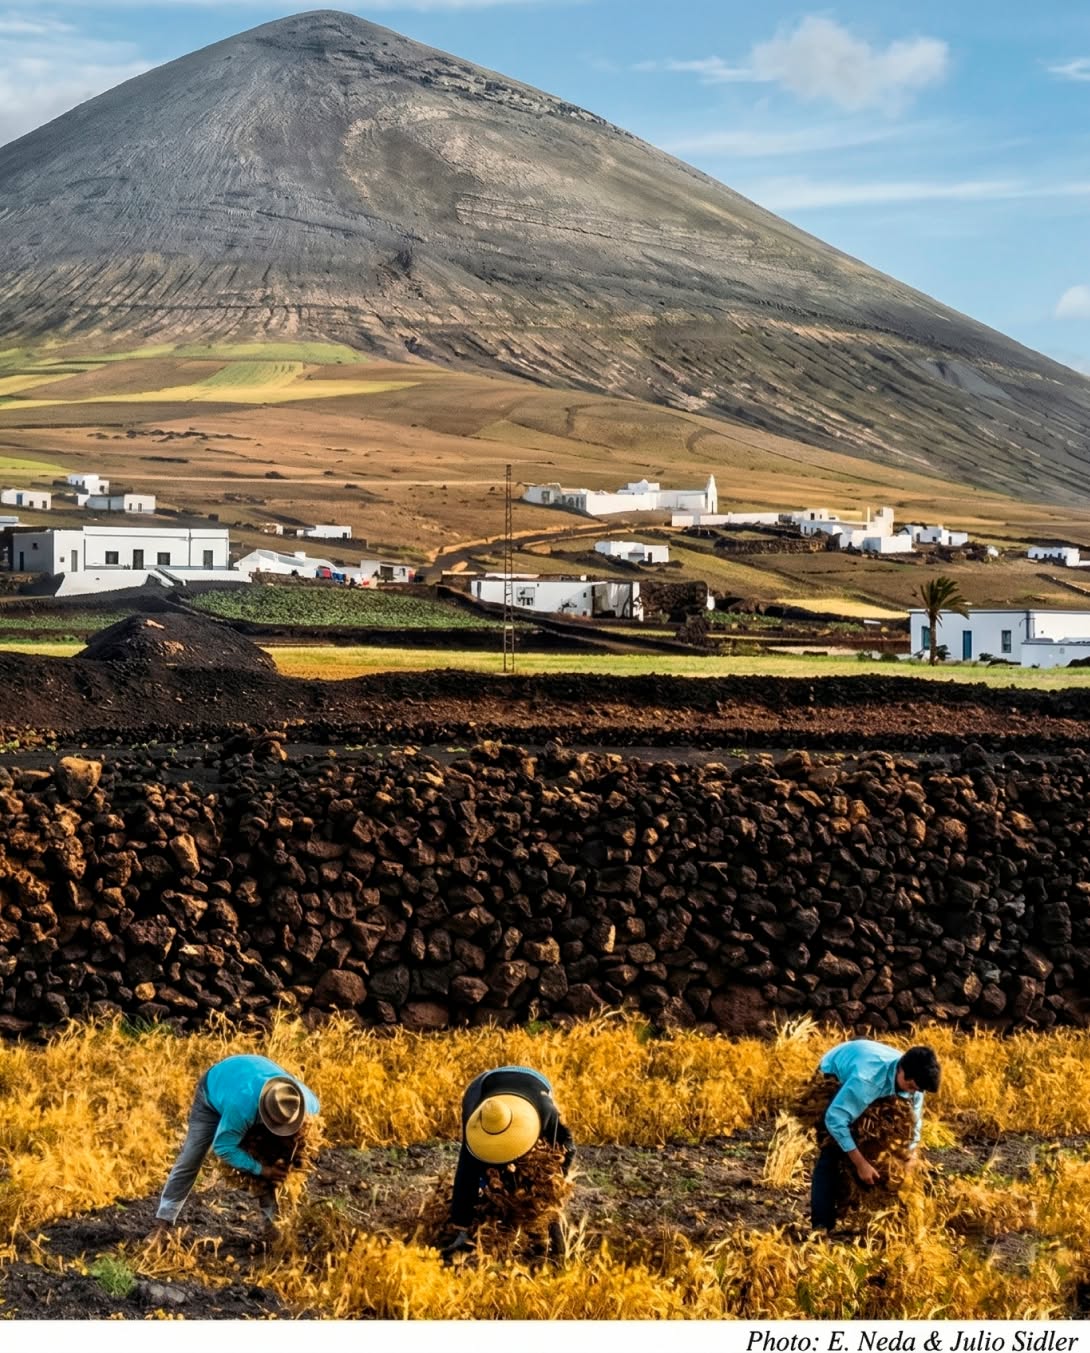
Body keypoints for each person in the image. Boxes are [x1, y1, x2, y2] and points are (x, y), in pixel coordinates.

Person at [148, 1054, 320, 1237]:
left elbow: (309, 1139)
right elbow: (223, 1147)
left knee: (274, 1158)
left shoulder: (306, 1104)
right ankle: (163, 1223)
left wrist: (289, 1163)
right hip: (214, 1091)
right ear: (265, 1116)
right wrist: (261, 1170)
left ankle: (274, 1228)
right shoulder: (242, 1108)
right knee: (191, 1157)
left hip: (250, 1073)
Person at [442, 1065, 575, 1259]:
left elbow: (567, 1147)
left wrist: (552, 1186)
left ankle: (549, 1231)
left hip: (532, 1082)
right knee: (484, 1170)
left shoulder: (545, 1113)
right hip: (483, 1087)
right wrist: (462, 1228)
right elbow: (465, 1175)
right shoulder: (476, 1120)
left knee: (538, 1170)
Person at [810, 1040, 940, 1231]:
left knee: (879, 1141)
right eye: (910, 1086)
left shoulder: (915, 1082)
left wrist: (910, 1154)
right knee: (833, 1151)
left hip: (871, 1069)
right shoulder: (866, 1080)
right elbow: (835, 1119)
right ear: (901, 1070)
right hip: (834, 1070)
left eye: (917, 1089)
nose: (913, 1091)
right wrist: (861, 1164)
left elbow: (915, 1121)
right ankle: (821, 1225)